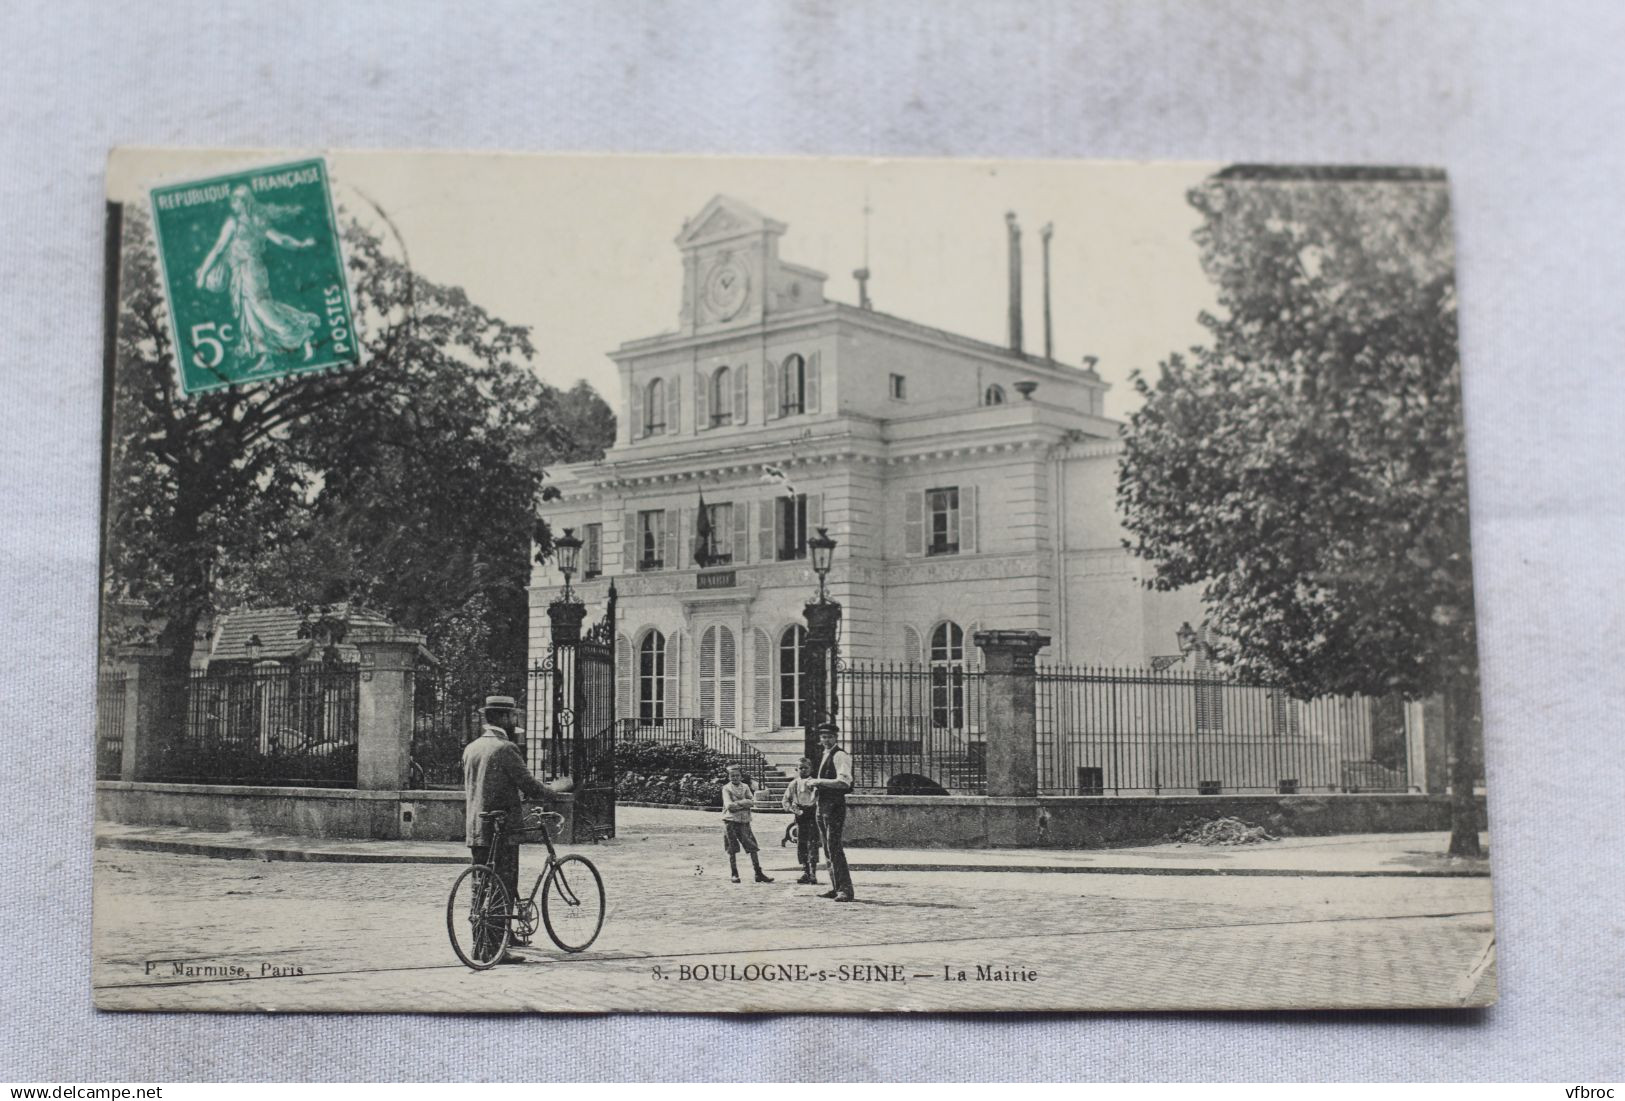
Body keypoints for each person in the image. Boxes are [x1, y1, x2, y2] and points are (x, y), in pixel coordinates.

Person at [462, 695, 569, 962]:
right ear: (502, 718)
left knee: (482, 887)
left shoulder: (472, 748)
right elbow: (530, 785)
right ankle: (493, 948)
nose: (515, 721)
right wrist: (555, 791)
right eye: (513, 716)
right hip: (503, 830)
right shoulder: (505, 748)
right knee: (504, 885)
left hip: (477, 828)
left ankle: (492, 939)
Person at [194, 184, 321, 370]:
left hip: (251, 271)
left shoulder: (246, 222)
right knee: (250, 313)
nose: (233, 205)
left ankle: (304, 336)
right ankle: (266, 355)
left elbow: (279, 239)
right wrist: (300, 245)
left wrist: (300, 245)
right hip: (241, 272)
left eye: (236, 201)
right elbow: (219, 248)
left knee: (262, 310)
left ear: (244, 202)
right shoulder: (249, 221)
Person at [809, 722, 855, 902]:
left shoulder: (840, 755)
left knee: (834, 847)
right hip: (822, 805)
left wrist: (818, 782)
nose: (826, 740)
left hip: (834, 805)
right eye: (823, 737)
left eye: (829, 736)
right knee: (827, 848)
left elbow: (844, 783)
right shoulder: (824, 754)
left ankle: (845, 890)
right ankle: (836, 887)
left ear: (836, 737)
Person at [720, 764, 774, 884]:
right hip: (730, 821)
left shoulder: (745, 787)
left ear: (741, 776)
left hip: (744, 821)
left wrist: (739, 803)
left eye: (737, 775)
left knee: (752, 846)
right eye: (732, 776)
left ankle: (758, 872)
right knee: (732, 848)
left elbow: (751, 801)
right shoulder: (726, 788)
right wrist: (744, 803)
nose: (735, 778)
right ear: (728, 777)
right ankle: (734, 873)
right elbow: (729, 806)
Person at [780, 756, 822, 884]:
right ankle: (805, 871)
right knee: (801, 842)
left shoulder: (814, 783)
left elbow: (819, 798)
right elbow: (786, 800)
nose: (803, 770)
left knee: (813, 842)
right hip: (800, 814)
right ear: (796, 769)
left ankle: (813, 872)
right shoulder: (794, 784)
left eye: (806, 768)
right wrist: (793, 809)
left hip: (812, 813)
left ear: (811, 769)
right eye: (800, 768)